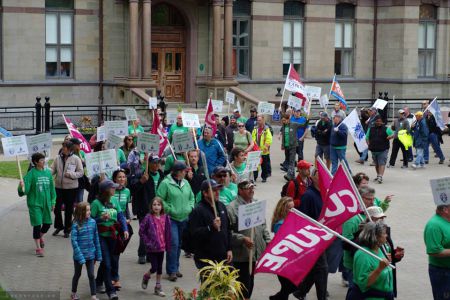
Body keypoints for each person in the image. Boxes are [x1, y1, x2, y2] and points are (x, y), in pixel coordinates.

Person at [227, 180, 271, 300]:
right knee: (242, 286)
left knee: (250, 283)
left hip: (254, 253)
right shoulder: (232, 208)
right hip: (241, 255)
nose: (252, 190)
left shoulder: (256, 204)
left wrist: (268, 241)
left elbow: (263, 225)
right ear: (240, 190)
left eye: (253, 187)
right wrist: (242, 239)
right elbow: (227, 233)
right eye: (248, 188)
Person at [156, 161, 195, 281]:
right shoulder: (166, 183)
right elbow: (159, 199)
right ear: (178, 172)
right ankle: (171, 270)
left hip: (184, 218)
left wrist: (190, 207)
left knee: (179, 245)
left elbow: (191, 197)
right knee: (173, 244)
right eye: (184, 170)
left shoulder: (186, 183)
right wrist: (170, 209)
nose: (186, 172)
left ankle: (175, 268)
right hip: (171, 218)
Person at [294, 167, 328, 300]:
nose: (323, 177)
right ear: (312, 178)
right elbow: (303, 219)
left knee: (316, 270)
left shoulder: (325, 193)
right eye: (319, 175)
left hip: (324, 236)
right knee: (323, 269)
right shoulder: (308, 196)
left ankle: (300, 291)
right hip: (313, 238)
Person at [91, 179, 129, 300]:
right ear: (106, 190)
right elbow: (90, 222)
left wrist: (125, 229)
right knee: (107, 263)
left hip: (114, 236)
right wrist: (101, 218)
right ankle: (111, 292)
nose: (115, 189)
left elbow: (120, 216)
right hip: (101, 237)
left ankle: (98, 282)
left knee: (108, 262)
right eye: (112, 187)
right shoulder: (96, 203)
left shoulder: (114, 200)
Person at [189, 180, 232, 273]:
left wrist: (229, 249)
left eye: (218, 190)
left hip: (224, 257)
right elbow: (194, 234)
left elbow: (228, 229)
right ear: (205, 193)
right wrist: (211, 227)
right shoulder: (198, 210)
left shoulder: (222, 206)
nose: (218, 192)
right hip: (207, 260)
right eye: (214, 190)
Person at [18, 153, 56, 257]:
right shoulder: (31, 174)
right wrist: (22, 187)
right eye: (41, 160)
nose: (44, 162)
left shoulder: (48, 173)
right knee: (37, 225)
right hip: (35, 204)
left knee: (47, 224)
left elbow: (52, 189)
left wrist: (53, 202)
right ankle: (38, 248)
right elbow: (24, 191)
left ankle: (39, 236)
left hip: (46, 204)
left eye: (44, 160)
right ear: (35, 162)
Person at [131, 155, 164, 264]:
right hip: (144, 208)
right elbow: (133, 189)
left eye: (158, 162)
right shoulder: (141, 174)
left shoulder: (162, 175)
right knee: (145, 231)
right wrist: (141, 181)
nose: (156, 165)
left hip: (157, 208)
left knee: (155, 232)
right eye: (154, 162)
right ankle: (142, 253)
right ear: (148, 163)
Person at [347, 222, 393, 300]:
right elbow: (363, 283)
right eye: (384, 233)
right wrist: (379, 269)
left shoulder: (380, 249)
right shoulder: (363, 255)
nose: (386, 235)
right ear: (375, 237)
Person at [140, 197, 171, 297]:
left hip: (162, 247)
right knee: (154, 267)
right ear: (151, 206)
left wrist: (168, 245)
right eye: (154, 204)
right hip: (151, 248)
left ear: (162, 206)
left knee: (160, 268)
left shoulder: (165, 217)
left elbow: (168, 232)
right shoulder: (148, 217)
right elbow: (141, 231)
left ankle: (158, 287)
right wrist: (148, 242)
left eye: (158, 204)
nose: (156, 207)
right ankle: (146, 276)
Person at [51, 140, 84, 238]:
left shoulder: (76, 159)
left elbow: (81, 172)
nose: (62, 149)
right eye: (62, 147)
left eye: (64, 147)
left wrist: (71, 174)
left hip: (71, 188)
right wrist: (46, 171)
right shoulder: (57, 158)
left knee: (69, 210)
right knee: (56, 208)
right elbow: (53, 169)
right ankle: (59, 226)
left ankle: (67, 229)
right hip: (58, 187)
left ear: (69, 149)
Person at [71, 203, 102, 300]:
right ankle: (73, 293)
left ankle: (93, 295)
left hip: (90, 254)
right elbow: (74, 241)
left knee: (91, 275)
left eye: (89, 210)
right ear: (81, 212)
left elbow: (96, 239)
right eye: (87, 210)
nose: (90, 212)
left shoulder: (93, 222)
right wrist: (80, 256)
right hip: (79, 255)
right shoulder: (75, 224)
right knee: (77, 274)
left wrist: (98, 254)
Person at [269, 196, 296, 300]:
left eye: (294, 207)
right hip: (283, 261)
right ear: (283, 209)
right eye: (290, 208)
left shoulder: (291, 220)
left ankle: (275, 298)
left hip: (289, 259)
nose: (293, 210)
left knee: (287, 289)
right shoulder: (280, 224)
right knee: (289, 287)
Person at [110, 170, 132, 289]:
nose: (122, 179)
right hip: (111, 225)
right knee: (113, 253)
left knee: (116, 252)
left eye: (124, 177)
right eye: (119, 177)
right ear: (114, 179)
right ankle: (114, 278)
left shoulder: (127, 191)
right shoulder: (110, 191)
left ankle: (114, 278)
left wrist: (128, 218)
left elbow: (126, 208)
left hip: (122, 225)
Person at [423, 203, 450, 299]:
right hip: (443, 273)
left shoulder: (447, 220)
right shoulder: (434, 225)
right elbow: (434, 251)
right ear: (445, 210)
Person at [366, 115, 394, 184]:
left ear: (382, 122)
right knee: (376, 164)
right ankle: (378, 175)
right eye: (377, 121)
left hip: (383, 149)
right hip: (373, 150)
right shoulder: (371, 129)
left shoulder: (386, 129)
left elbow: (393, 134)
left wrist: (390, 137)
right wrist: (369, 144)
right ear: (375, 122)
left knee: (381, 163)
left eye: (380, 121)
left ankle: (380, 176)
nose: (378, 122)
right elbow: (367, 137)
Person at [280, 113, 302, 180]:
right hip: (286, 146)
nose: (283, 122)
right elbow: (284, 136)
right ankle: (292, 176)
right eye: (282, 120)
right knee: (288, 160)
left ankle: (289, 175)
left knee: (292, 161)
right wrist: (282, 145)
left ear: (288, 119)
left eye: (284, 120)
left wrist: (307, 120)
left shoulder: (294, 124)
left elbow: (303, 125)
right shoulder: (284, 126)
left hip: (293, 146)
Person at [252, 115, 273, 183]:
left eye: (260, 120)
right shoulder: (255, 129)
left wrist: (265, 148)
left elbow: (269, 139)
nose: (259, 121)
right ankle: (254, 177)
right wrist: (254, 147)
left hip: (264, 151)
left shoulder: (267, 129)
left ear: (263, 120)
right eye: (258, 120)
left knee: (264, 165)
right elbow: (252, 139)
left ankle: (264, 177)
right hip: (256, 150)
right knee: (255, 165)